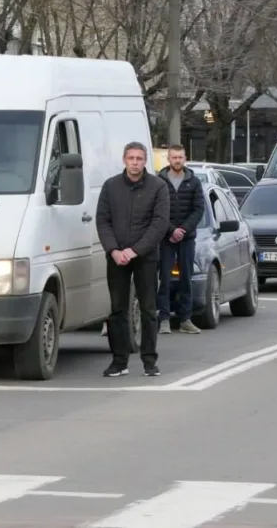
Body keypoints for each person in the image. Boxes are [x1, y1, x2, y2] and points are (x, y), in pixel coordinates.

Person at [95, 141, 170, 378]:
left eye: (139, 158)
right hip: (116, 257)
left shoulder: (158, 187)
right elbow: (103, 220)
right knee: (118, 309)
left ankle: (149, 361)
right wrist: (114, 250)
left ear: (145, 160)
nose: (135, 163)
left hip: (145, 257)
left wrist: (135, 250)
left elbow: (159, 224)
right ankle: (119, 361)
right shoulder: (111, 186)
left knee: (148, 309)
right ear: (124, 160)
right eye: (131, 158)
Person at [156, 145, 205, 335]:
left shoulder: (193, 182)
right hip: (165, 238)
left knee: (186, 278)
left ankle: (185, 319)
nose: (177, 160)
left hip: (186, 238)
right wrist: (171, 230)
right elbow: (156, 209)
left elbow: (198, 209)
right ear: (168, 159)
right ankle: (164, 319)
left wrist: (183, 229)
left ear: (185, 158)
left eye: (180, 157)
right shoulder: (159, 181)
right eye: (174, 157)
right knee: (165, 279)